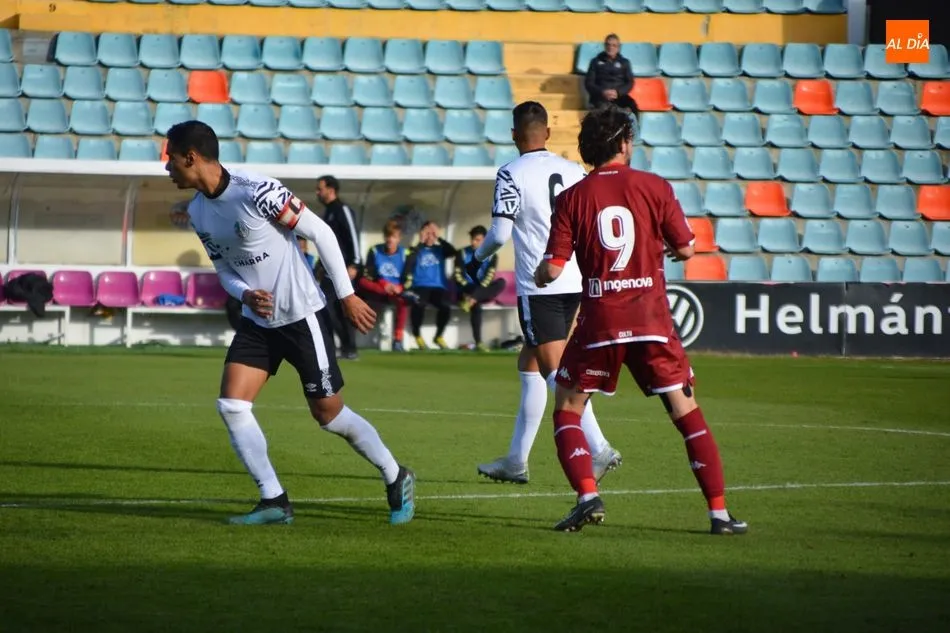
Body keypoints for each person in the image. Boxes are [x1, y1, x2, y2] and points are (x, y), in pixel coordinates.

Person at [167, 120, 415, 526]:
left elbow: (322, 233)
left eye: (171, 159)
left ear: (191, 157)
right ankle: (274, 499)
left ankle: (395, 473)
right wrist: (245, 294)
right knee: (232, 405)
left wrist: (347, 295)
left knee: (328, 415)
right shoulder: (197, 211)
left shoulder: (257, 190)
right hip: (258, 321)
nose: (167, 168)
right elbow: (224, 268)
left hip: (302, 316)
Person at [534, 104, 746, 535]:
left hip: (601, 321)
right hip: (651, 319)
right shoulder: (654, 186)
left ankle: (588, 497)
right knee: (685, 412)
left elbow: (553, 269)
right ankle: (719, 514)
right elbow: (686, 249)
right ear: (623, 144)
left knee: (568, 408)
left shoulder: (572, 197)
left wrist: (539, 273)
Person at [466, 100, 621, 484]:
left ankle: (600, 448)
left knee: (557, 373)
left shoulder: (510, 172)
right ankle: (516, 460)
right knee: (530, 363)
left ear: (513, 135)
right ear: (548, 133)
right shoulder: (574, 170)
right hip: (574, 280)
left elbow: (499, 234)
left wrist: (476, 258)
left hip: (539, 286)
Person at [315, 175, 361, 361]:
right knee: (326, 308)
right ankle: (337, 347)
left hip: (345, 270)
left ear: (331, 189)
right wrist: (320, 265)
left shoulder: (343, 210)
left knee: (343, 309)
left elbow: (353, 237)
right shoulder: (328, 212)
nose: (317, 193)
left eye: (320, 189)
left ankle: (350, 348)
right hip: (329, 271)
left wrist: (355, 264)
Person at [402, 221, 456, 351]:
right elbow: (409, 261)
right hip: (420, 285)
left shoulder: (440, 250)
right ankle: (417, 335)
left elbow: (453, 252)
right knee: (419, 303)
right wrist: (420, 242)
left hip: (438, 287)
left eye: (433, 233)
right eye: (427, 233)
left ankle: (438, 336)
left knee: (445, 307)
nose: (430, 236)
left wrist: (439, 238)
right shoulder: (416, 249)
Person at [358, 219, 411, 352]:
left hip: (396, 292)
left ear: (399, 238)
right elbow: (368, 274)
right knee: (362, 281)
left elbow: (408, 278)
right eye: (388, 236)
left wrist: (398, 288)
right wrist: (384, 284)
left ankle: (398, 339)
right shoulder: (375, 251)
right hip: (378, 289)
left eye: (393, 237)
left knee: (403, 301)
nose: (390, 240)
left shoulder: (405, 254)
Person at [454, 225, 506, 352]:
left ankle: (471, 300)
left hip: (480, 291)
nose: (473, 242)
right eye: (472, 239)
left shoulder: (492, 256)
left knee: (501, 282)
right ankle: (478, 342)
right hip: (465, 291)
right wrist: (470, 290)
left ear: (484, 240)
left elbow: (489, 277)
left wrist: (476, 294)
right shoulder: (461, 253)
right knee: (476, 305)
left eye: (477, 240)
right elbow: (457, 276)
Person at [585, 34, 636, 112]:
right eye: (608, 45)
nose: (610, 47)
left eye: (614, 45)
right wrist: (603, 92)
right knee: (605, 110)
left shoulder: (625, 62)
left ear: (618, 47)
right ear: (604, 46)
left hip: (619, 96)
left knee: (633, 106)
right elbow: (589, 83)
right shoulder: (595, 62)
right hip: (600, 97)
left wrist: (618, 92)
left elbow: (630, 82)